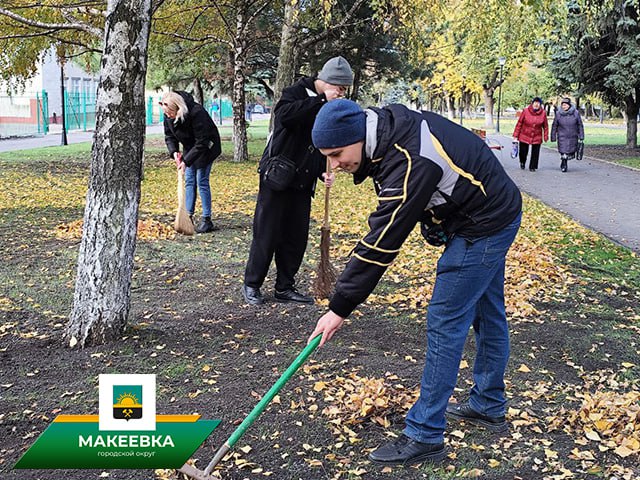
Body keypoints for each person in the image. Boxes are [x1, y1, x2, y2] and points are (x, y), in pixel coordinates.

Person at [307, 99, 522, 465]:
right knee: (487, 313)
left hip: (483, 225)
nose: (335, 164)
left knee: (445, 319)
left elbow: (382, 241)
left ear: (358, 135)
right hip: (489, 212)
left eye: (338, 153)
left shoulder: (408, 158)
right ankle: (488, 403)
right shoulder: (387, 134)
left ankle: (424, 434)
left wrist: (339, 307)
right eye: (328, 156)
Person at [241, 56, 351, 305]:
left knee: (295, 236)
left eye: (344, 89)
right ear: (327, 81)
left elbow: (317, 142)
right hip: (277, 176)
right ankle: (252, 283)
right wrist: (321, 101)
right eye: (340, 87)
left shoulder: (330, 105)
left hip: (303, 181)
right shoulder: (296, 92)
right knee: (267, 232)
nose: (341, 93)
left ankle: (285, 286)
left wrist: (322, 172)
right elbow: (286, 117)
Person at [162, 91, 221, 233]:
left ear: (179, 109)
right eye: (166, 113)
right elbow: (169, 135)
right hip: (190, 147)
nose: (168, 116)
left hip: (207, 147)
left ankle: (207, 220)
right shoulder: (168, 114)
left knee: (201, 180)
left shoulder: (197, 113)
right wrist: (174, 151)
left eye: (171, 113)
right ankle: (187, 216)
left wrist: (186, 161)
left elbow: (202, 141)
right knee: (189, 180)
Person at [513, 96, 549, 171]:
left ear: (540, 104)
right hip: (524, 134)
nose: (536, 105)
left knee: (535, 152)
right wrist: (515, 135)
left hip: (537, 135)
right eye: (535, 103)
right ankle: (522, 162)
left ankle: (532, 166)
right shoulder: (525, 111)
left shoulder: (543, 113)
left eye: (538, 103)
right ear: (532, 103)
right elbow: (519, 123)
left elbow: (545, 126)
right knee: (523, 151)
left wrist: (545, 136)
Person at [551, 97, 584, 172]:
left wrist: (581, 136)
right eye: (563, 105)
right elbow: (554, 125)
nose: (564, 106)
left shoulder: (575, 113)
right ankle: (564, 163)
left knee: (570, 151)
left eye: (565, 105)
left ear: (569, 105)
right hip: (562, 136)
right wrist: (553, 136)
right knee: (563, 151)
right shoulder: (558, 113)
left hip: (573, 136)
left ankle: (564, 160)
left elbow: (580, 125)